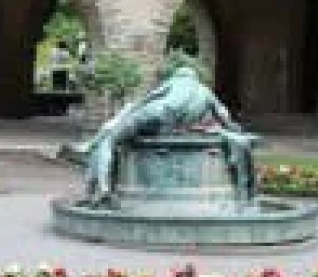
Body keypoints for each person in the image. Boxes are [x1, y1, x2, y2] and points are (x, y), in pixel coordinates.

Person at [83, 67, 257, 203]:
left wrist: (123, 116)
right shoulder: (206, 91)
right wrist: (236, 131)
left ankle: (104, 188)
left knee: (109, 140)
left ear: (179, 76)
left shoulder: (173, 82)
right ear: (194, 77)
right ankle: (93, 151)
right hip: (166, 126)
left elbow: (147, 99)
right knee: (110, 136)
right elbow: (225, 117)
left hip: (152, 114)